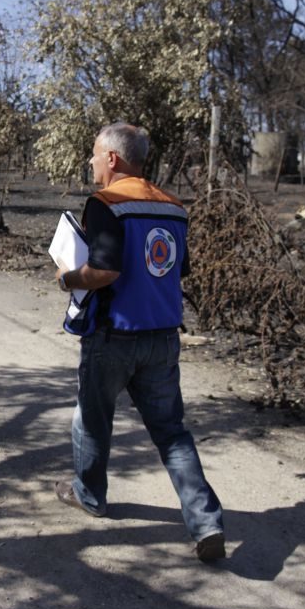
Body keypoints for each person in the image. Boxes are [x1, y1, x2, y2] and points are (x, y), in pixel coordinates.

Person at [53, 123, 225, 562]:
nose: (91, 162)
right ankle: (206, 522)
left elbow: (104, 272)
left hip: (114, 335)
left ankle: (89, 496)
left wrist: (68, 277)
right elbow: (173, 269)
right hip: (163, 338)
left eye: (94, 154)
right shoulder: (174, 206)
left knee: (92, 420)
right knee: (172, 433)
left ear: (112, 158)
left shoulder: (106, 203)